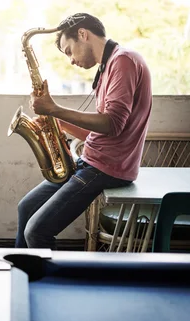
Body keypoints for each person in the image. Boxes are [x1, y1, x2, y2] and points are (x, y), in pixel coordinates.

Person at [15, 13, 152, 249]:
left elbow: (112, 124)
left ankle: (46, 283)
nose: (70, 60)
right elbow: (100, 133)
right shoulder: (109, 65)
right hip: (91, 162)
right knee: (25, 207)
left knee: (36, 232)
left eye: (69, 51)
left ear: (82, 34)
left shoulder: (124, 61)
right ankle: (20, 273)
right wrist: (57, 121)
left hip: (107, 168)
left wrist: (55, 109)